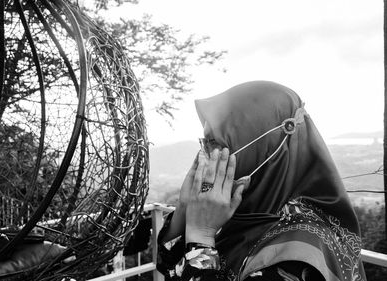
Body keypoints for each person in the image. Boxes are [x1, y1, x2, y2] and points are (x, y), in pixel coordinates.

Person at [157, 81, 366, 281]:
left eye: (215, 142)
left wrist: (201, 237)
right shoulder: (236, 213)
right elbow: (172, 270)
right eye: (205, 142)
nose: (206, 154)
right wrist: (185, 210)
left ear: (264, 147)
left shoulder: (300, 253)